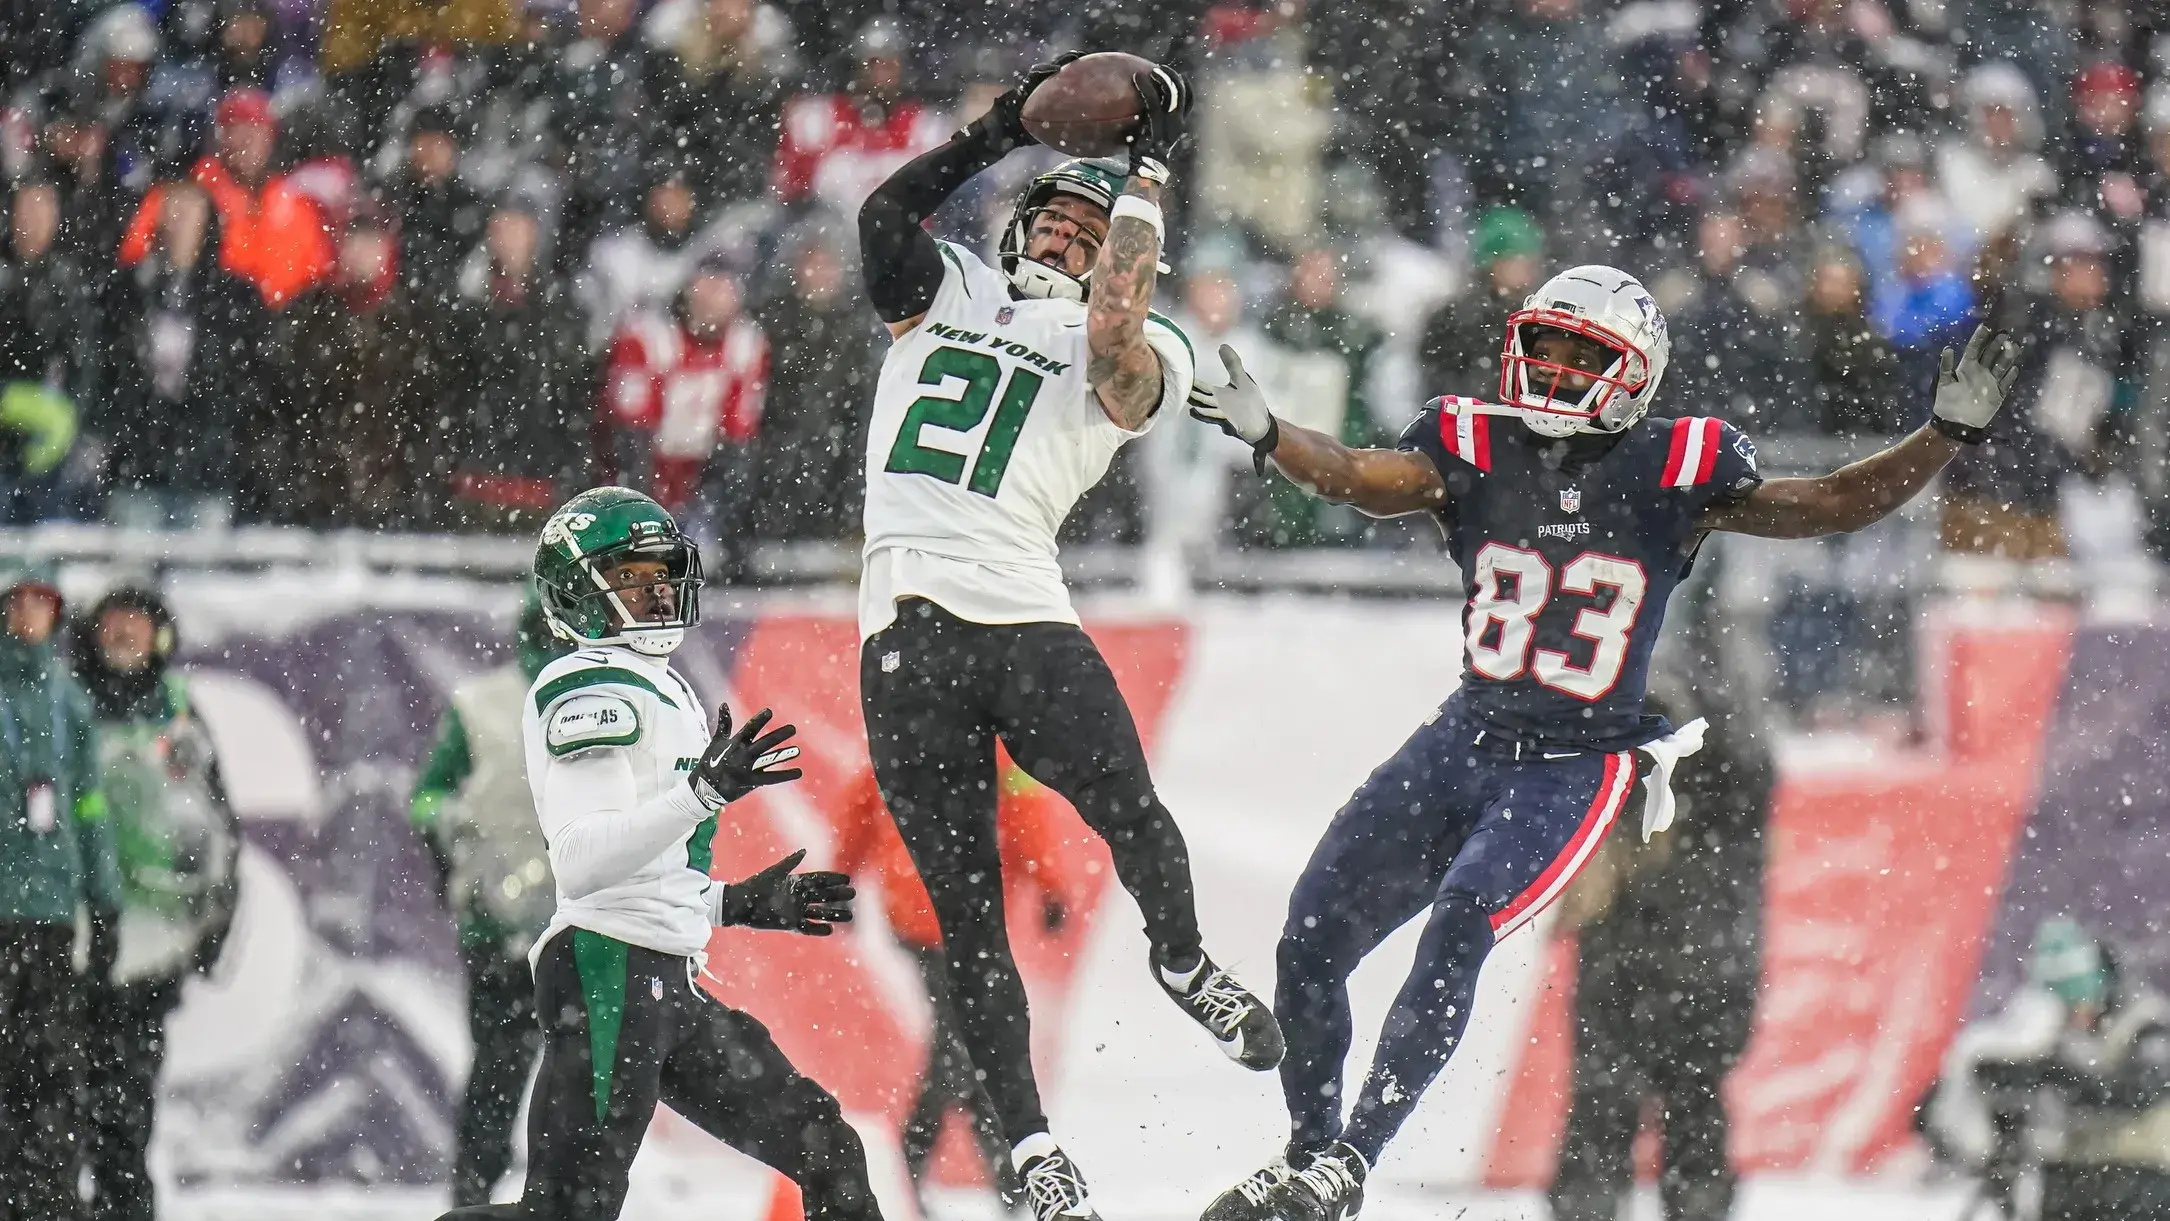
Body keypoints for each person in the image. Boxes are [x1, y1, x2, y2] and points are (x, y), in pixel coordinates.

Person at [1186, 267, 2024, 1221]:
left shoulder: (1677, 466)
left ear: (1634, 374)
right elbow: (1363, 478)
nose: (1553, 367)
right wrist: (1273, 435)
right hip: (1466, 734)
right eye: (1544, 344)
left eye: (1583, 355)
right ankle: (1307, 1155)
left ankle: (1352, 1163)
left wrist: (1940, 440)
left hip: (1576, 759)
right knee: (1308, 936)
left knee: (1459, 926)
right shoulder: (1473, 441)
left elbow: (1829, 501)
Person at [854, 53, 1281, 1221]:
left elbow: (1118, 335)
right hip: (904, 631)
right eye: (1051, 220)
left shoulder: (1150, 340)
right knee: (966, 915)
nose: (1060, 238)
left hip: (1021, 610)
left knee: (1131, 808)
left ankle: (1183, 958)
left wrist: (1141, 171)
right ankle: (1033, 1150)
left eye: (1086, 233)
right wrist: (997, 131)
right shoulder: (941, 288)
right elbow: (884, 212)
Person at [435, 485, 876, 1221]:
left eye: (662, 571)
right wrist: (701, 793)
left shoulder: (657, 685)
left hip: (660, 975)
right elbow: (582, 863)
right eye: (635, 576)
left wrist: (736, 902)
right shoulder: (584, 685)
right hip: (608, 971)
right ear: (581, 592)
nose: (660, 587)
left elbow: (642, 877)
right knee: (571, 1211)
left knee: (826, 1147)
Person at [829, 750, 1094, 1210]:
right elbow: (1025, 817)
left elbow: (863, 811)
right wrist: (1049, 885)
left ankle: (968, 1172)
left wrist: (841, 879)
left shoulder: (902, 738)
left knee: (967, 1046)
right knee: (966, 1047)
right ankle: (934, 1162)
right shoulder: (987, 747)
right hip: (957, 922)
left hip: (931, 916)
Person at [1545, 687, 1772, 1221]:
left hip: (1656, 967)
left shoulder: (1637, 778)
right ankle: (1678, 1202)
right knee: (1686, 1112)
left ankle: (1603, 1203)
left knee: (1610, 1114)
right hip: (1700, 965)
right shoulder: (1725, 777)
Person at [70, 586, 239, 1221]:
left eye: (135, 623)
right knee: (53, 1113)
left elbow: (221, 827)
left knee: (126, 1114)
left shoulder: (177, 711)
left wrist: (213, 929)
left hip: (151, 952)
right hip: (67, 945)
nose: (123, 635)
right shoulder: (66, 705)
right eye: (112, 622)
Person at [410, 589, 568, 1207]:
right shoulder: (480, 705)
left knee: (572, 1078)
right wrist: (460, 831)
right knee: (502, 1072)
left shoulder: (615, 701)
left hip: (582, 920)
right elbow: (427, 794)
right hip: (500, 925)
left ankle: (552, 1198)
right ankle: (476, 1194)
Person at [0, 560, 121, 1221]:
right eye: (16, 604)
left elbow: (90, 807)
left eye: (39, 604)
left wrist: (104, 902)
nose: (26, 617)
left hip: (49, 913)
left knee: (50, 1065)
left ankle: (45, 1193)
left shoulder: (68, 700)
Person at [1922, 919, 2170, 1220]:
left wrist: (2053, 1073)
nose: (2073, 1018)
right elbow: (1935, 1113)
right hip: (2070, 1180)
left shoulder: (2146, 1026)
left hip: (2143, 1178)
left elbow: (2136, 1092)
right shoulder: (2054, 1039)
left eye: (2078, 1003)